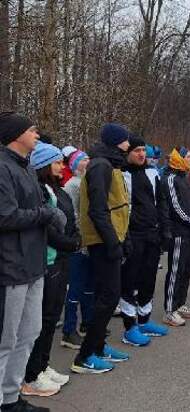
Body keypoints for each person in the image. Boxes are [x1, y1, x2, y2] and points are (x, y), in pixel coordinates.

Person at [0, 113, 66, 412]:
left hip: (34, 264)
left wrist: (47, 212)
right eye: (31, 130)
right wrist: (46, 214)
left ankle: (12, 398)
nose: (37, 134)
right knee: (5, 340)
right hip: (10, 267)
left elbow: (34, 207)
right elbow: (6, 216)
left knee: (29, 334)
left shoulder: (25, 167)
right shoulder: (2, 168)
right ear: (15, 135)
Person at [71, 123, 132, 374]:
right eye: (126, 140)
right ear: (117, 142)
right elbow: (97, 210)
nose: (129, 144)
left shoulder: (110, 164)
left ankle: (99, 346)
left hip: (110, 238)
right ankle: (84, 356)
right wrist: (112, 242)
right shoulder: (100, 166)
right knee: (107, 297)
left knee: (106, 296)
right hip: (102, 241)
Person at [23, 143, 81, 397]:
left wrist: (75, 238)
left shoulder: (55, 188)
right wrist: (69, 242)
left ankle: (42, 365)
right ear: (44, 165)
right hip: (49, 260)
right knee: (43, 320)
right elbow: (47, 229)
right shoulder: (40, 191)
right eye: (56, 162)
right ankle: (31, 374)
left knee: (50, 317)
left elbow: (68, 218)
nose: (61, 166)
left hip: (62, 258)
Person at [119, 137, 168, 346]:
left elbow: (161, 202)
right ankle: (130, 328)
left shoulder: (152, 172)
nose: (141, 154)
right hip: (133, 235)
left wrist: (164, 230)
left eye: (143, 151)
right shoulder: (121, 174)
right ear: (128, 153)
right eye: (136, 150)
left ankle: (144, 319)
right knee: (129, 280)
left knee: (149, 277)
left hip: (153, 234)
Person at [159, 147, 190, 327]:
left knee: (187, 269)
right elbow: (175, 207)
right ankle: (169, 310)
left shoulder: (183, 178)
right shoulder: (170, 179)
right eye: (188, 156)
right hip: (178, 232)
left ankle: (180, 304)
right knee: (176, 271)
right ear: (179, 159)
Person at [61, 149, 94, 350]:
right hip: (77, 243)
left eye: (88, 158)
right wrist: (80, 237)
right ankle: (68, 330)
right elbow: (73, 214)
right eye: (83, 160)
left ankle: (87, 322)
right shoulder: (72, 185)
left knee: (89, 285)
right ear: (75, 165)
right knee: (76, 286)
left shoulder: (86, 182)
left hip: (89, 242)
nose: (87, 162)